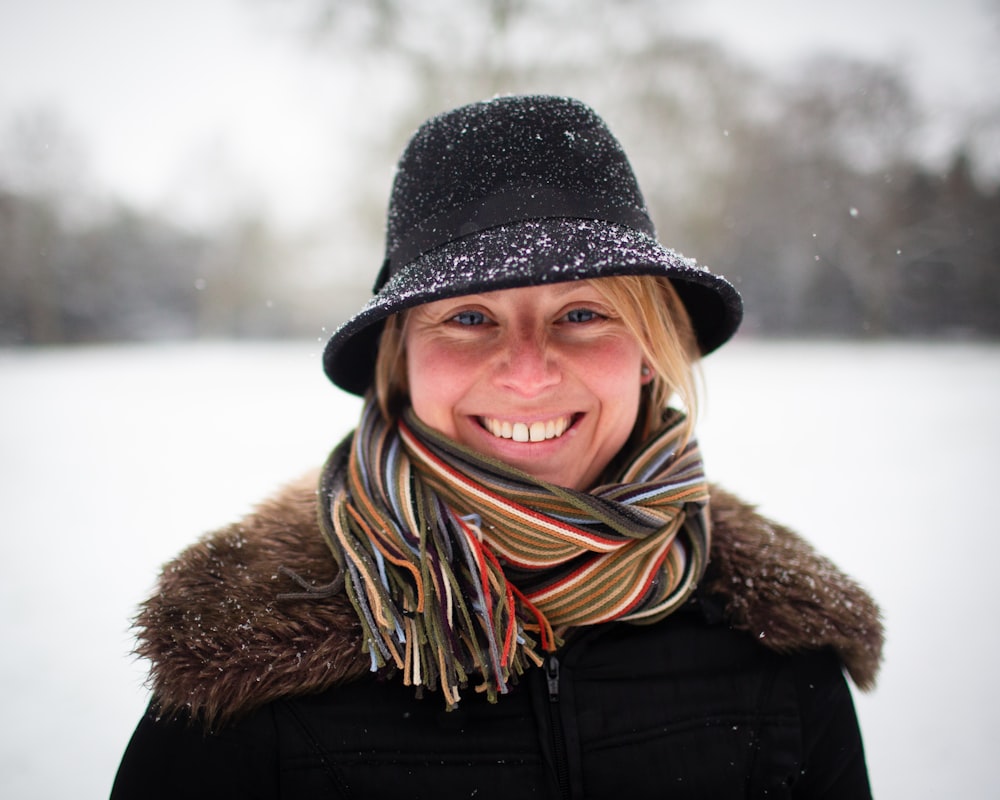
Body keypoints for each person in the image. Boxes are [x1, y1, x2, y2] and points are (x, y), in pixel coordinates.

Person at [111, 95, 882, 799]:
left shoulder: (780, 646)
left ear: (650, 350)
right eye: (469, 317)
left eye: (582, 312)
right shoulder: (242, 672)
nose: (526, 371)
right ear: (400, 359)